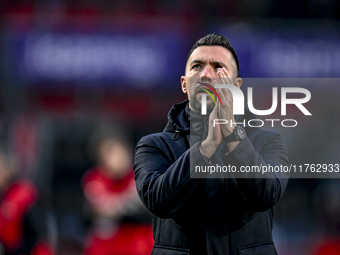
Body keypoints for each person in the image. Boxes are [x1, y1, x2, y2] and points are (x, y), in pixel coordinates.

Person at [134, 33, 290, 255]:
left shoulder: (268, 141)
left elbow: (265, 196)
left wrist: (232, 134)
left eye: (218, 67)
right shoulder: (153, 145)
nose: (206, 74)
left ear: (236, 86)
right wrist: (205, 148)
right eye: (197, 66)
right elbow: (158, 201)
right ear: (184, 84)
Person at [82, 126, 153, 255]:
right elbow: (104, 209)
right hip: (108, 248)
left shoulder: (140, 176)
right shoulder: (95, 179)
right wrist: (129, 201)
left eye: (121, 151)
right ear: (100, 158)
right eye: (110, 153)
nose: (118, 157)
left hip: (139, 245)